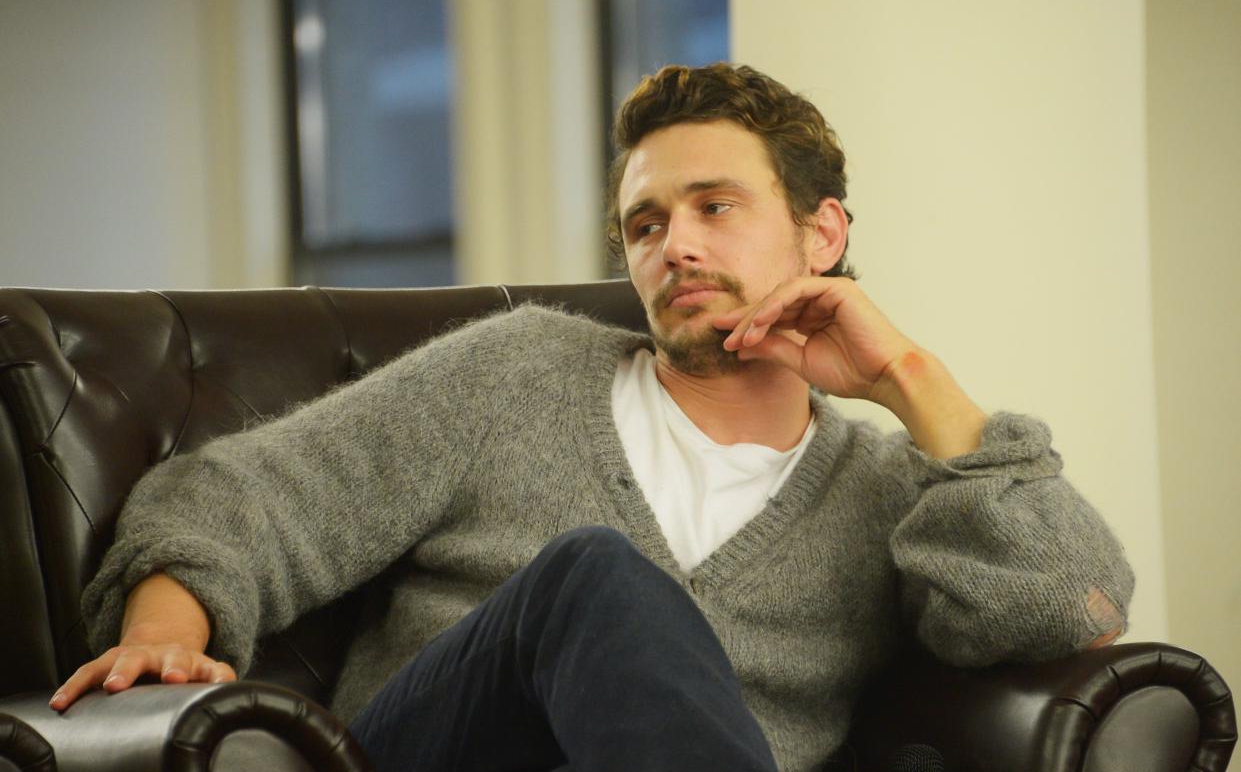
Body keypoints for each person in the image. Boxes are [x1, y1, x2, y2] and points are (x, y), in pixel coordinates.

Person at [51, 63, 1133, 772]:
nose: (675, 249)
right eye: (645, 225)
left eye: (714, 208)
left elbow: (1068, 610)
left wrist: (907, 374)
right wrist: (163, 642)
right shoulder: (516, 374)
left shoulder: (889, 494)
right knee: (595, 578)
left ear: (821, 234)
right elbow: (235, 498)